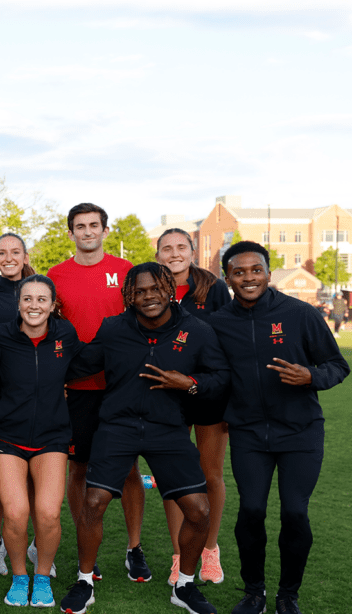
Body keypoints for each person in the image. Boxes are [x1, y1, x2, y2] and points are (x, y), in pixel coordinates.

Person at [59, 263, 227, 614]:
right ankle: (84, 581)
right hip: (117, 427)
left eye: (155, 288)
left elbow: (221, 377)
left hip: (168, 429)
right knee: (93, 503)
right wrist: (45, 347)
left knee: (199, 511)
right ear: (128, 296)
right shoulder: (114, 328)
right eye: (139, 290)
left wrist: (191, 384)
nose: (148, 296)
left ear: (170, 290)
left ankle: (184, 585)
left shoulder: (197, 330)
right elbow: (78, 365)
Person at [208, 242, 347, 614]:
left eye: (256, 270)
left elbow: (337, 365)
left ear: (269, 273)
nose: (249, 278)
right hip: (249, 434)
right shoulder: (218, 322)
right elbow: (210, 374)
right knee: (251, 511)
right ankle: (254, 591)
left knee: (294, 513)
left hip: (300, 432)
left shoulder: (300, 314)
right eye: (239, 272)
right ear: (229, 278)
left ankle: (288, 594)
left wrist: (311, 376)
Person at [47, 203, 145, 582]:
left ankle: (134, 548)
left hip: (122, 386)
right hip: (77, 389)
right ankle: (87, 543)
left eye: (94, 225)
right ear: (70, 233)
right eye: (80, 226)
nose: (87, 232)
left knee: (129, 469)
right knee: (80, 469)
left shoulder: (125, 273)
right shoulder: (55, 276)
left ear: (105, 230)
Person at [0, 275, 81, 608]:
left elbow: (82, 367)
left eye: (42, 299)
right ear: (19, 303)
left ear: (53, 304)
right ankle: (19, 578)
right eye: (28, 299)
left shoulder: (65, 334)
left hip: (52, 435)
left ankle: (41, 578)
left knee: (48, 514)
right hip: (6, 436)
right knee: (15, 513)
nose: (34, 306)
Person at [156, 228, 233, 585]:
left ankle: (209, 550)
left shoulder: (213, 289)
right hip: (165, 394)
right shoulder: (151, 287)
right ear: (158, 255)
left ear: (192, 250)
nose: (174, 253)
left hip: (208, 392)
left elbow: (227, 342)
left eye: (181, 247)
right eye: (167, 248)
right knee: (173, 478)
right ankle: (179, 554)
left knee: (210, 474)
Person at [0, 232, 37, 578]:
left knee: (35, 470)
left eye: (15, 251)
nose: (9, 257)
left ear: (24, 254)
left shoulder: (40, 286)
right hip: (0, 393)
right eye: (2, 252)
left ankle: (32, 543)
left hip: (40, 392)